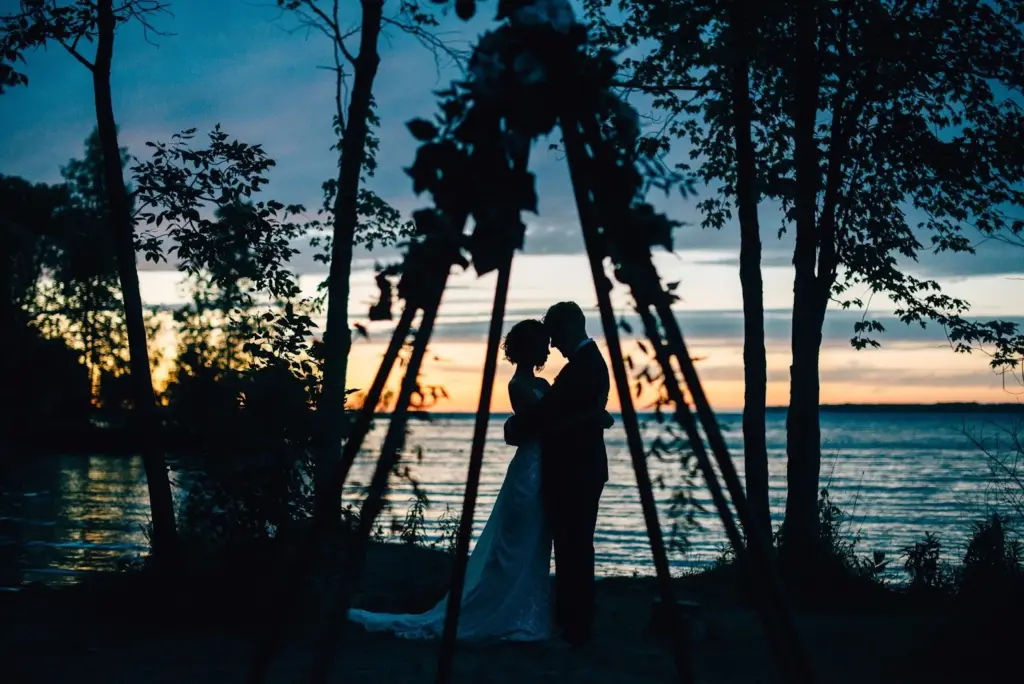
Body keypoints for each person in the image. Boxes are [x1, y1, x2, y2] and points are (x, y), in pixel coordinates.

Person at [348, 319, 556, 642]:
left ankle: (526, 608)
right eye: (541, 343)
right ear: (529, 348)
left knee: (534, 541)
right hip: (530, 468)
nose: (546, 349)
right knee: (515, 543)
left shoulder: (543, 384)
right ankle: (501, 609)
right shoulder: (518, 385)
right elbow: (542, 423)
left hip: (544, 465)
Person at [504, 301, 611, 647]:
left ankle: (575, 626)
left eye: (555, 336)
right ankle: (570, 621)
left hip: (576, 470)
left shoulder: (584, 365)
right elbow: (565, 412)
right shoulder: (582, 365)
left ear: (569, 328)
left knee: (574, 548)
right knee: (569, 547)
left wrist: (512, 427)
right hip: (571, 468)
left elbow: (550, 414)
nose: (552, 346)